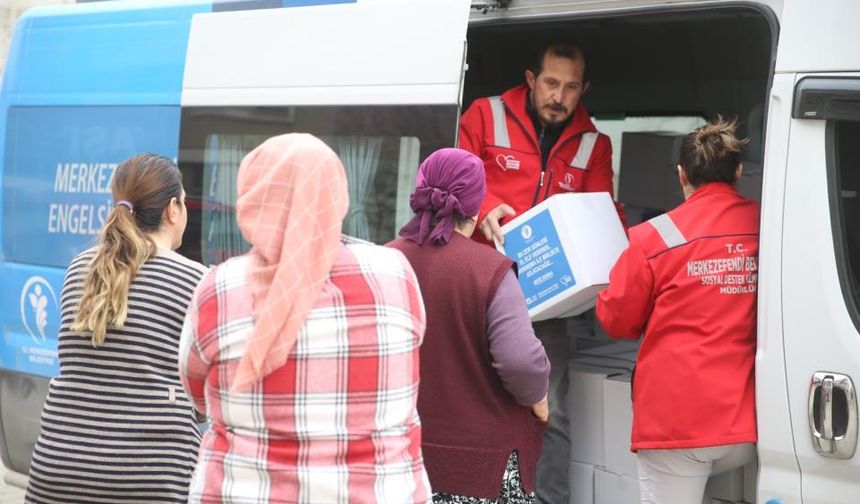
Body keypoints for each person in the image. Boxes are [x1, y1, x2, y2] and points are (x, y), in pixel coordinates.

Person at [179, 133, 430, 503]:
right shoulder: (394, 273)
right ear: (338, 193)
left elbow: (197, 391)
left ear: (252, 199)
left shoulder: (219, 288)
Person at [458, 41, 624, 503]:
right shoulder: (484, 114)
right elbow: (455, 179)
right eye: (551, 83)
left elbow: (601, 214)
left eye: (571, 87)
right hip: (481, 289)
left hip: (550, 301)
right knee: (476, 406)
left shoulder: (594, 142)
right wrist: (486, 210)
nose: (559, 96)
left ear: (583, 88)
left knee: (551, 414)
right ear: (531, 80)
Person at [25, 154, 207, 503]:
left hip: (59, 466)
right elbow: (203, 389)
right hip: (151, 476)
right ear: (173, 209)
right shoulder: (195, 280)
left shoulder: (80, 268)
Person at [596, 117, 759, 504]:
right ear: (738, 172)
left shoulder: (653, 237)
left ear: (681, 174)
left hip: (678, 426)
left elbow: (615, 319)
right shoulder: (767, 224)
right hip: (751, 421)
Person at [388, 148, 551, 503]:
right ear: (476, 205)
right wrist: (538, 395)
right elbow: (520, 361)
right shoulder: (490, 269)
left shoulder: (382, 262)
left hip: (397, 459)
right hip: (482, 469)